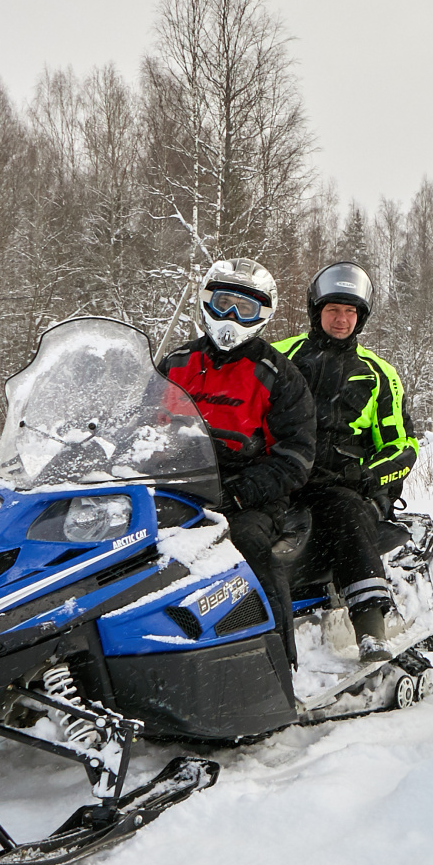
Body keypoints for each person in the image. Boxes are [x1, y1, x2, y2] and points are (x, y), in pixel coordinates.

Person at [158, 259, 316, 638]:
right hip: (174, 486)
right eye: (224, 302)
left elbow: (296, 457)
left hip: (247, 498)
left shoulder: (278, 375)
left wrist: (240, 493)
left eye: (244, 308)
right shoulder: (175, 364)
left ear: (262, 314)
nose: (231, 315)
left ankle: (276, 650)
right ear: (206, 302)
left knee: (246, 545)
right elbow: (140, 425)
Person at [275, 261, 416, 662]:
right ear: (316, 312)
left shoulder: (378, 374)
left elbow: (403, 446)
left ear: (361, 318)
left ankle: (370, 627)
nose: (341, 319)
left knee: (346, 513)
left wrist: (366, 475)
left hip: (342, 484)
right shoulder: (280, 358)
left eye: (350, 312)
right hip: (282, 476)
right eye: (333, 310)